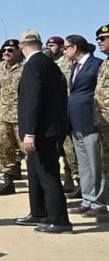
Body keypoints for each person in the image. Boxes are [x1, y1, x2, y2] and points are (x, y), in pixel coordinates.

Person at [14, 29, 72, 233]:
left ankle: (60, 220)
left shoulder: (33, 65)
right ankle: (39, 212)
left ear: (21, 47)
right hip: (50, 128)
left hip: (41, 132)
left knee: (47, 174)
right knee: (35, 172)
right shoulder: (50, 64)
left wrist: (29, 132)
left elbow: (33, 100)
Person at [64, 35, 108, 217]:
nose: (65, 51)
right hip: (76, 121)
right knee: (84, 164)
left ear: (75, 48)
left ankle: (98, 203)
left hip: (91, 119)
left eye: (66, 47)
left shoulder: (96, 64)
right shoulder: (74, 66)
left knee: (96, 162)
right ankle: (87, 200)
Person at [0, 39, 25, 196]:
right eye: (4, 50)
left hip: (22, 115)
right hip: (4, 115)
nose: (6, 53)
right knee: (4, 149)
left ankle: (38, 183)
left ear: (19, 51)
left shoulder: (26, 66)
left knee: (28, 151)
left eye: (10, 50)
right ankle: (8, 182)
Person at [47, 36, 80, 193]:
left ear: (61, 48)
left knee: (72, 149)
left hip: (69, 111)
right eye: (47, 45)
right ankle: (68, 180)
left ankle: (79, 181)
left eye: (52, 45)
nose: (49, 48)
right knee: (63, 150)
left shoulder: (69, 64)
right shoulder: (48, 65)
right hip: (56, 113)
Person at [93, 24, 109, 222]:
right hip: (104, 124)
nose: (100, 41)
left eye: (104, 38)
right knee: (107, 164)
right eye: (98, 38)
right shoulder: (105, 64)